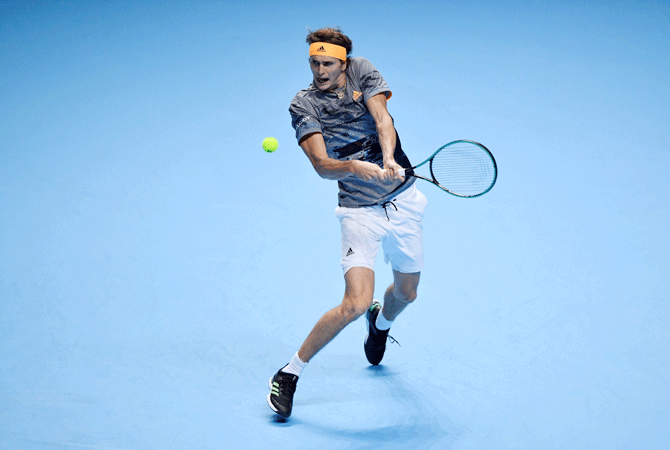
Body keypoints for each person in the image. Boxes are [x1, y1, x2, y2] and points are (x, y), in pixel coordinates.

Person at [267, 27, 428, 419]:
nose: (319, 71)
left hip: (403, 201)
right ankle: (289, 372)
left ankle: (381, 323)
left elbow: (382, 118)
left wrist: (388, 159)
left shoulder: (363, 71)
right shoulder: (303, 104)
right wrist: (355, 167)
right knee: (355, 302)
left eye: (327, 63)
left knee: (406, 294)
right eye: (313, 63)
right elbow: (322, 166)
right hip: (358, 211)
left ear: (344, 62)